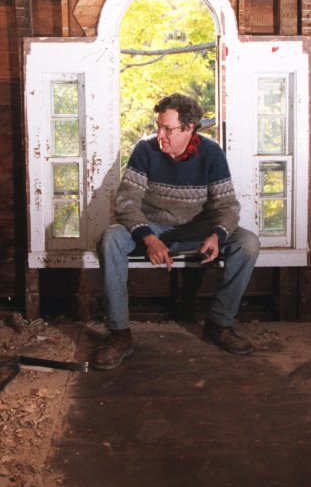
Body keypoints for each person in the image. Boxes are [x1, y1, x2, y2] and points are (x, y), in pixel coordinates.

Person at [93, 93, 260, 370]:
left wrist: (217, 235)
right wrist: (148, 237)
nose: (160, 134)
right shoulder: (145, 151)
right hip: (152, 229)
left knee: (248, 243)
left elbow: (227, 206)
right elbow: (125, 203)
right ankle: (119, 334)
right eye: (158, 126)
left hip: (198, 230)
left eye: (167, 129)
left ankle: (219, 324)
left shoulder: (211, 153)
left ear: (189, 128)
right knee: (110, 238)